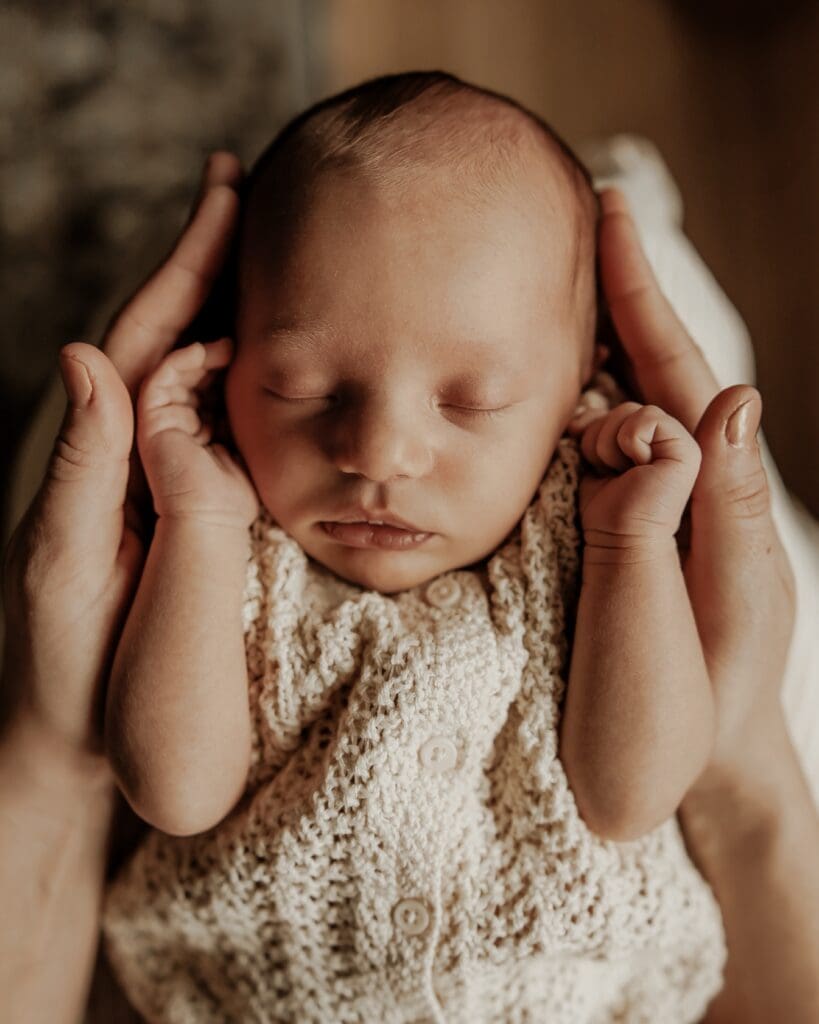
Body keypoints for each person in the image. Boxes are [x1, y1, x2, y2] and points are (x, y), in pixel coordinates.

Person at [1, 116, 817, 1024]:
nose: (378, 452)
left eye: (471, 400)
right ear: (224, 369)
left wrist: (633, 546)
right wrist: (196, 517)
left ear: (582, 384)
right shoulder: (226, 541)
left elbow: (631, 796)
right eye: (305, 386)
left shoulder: (592, 531)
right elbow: (176, 791)